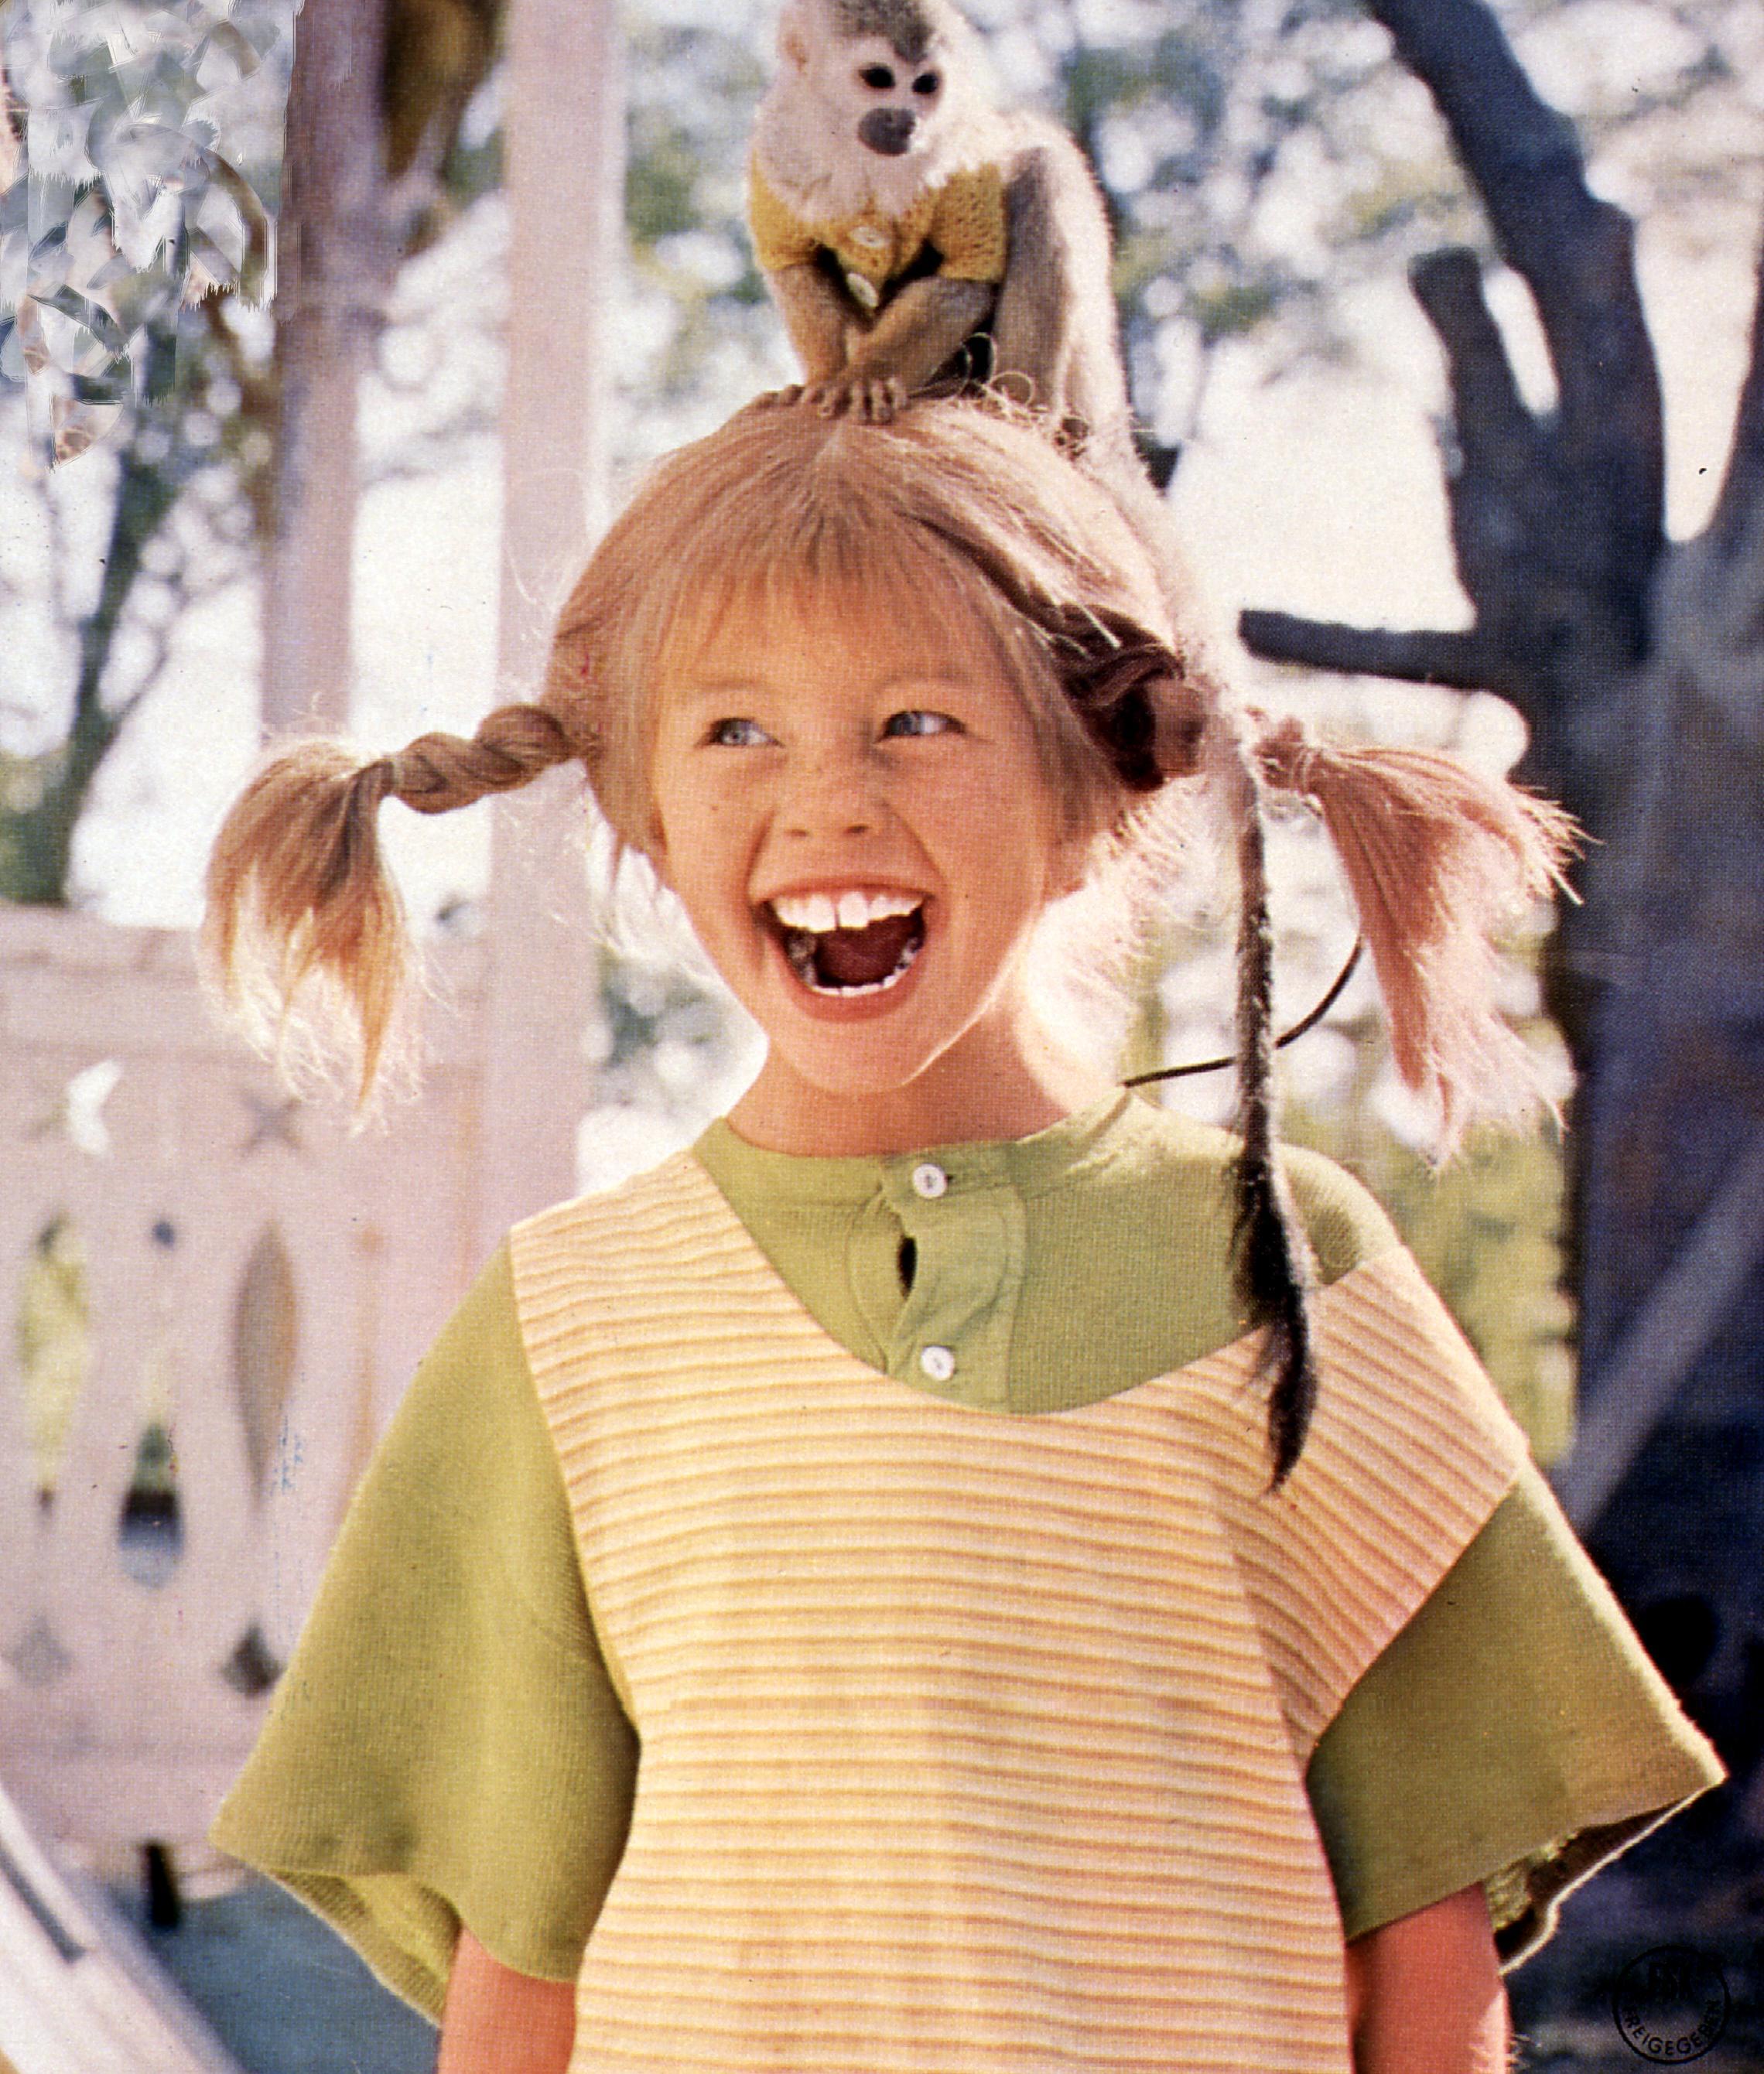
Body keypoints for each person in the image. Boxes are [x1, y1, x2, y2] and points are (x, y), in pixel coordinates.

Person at [204, 397, 1720, 2074]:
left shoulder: (1290, 1271)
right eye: (735, 730)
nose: (828, 804)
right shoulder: (572, 1325)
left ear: (1093, 796)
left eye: (917, 720)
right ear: (645, 817)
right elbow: (524, 1971)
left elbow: (1429, 1962)